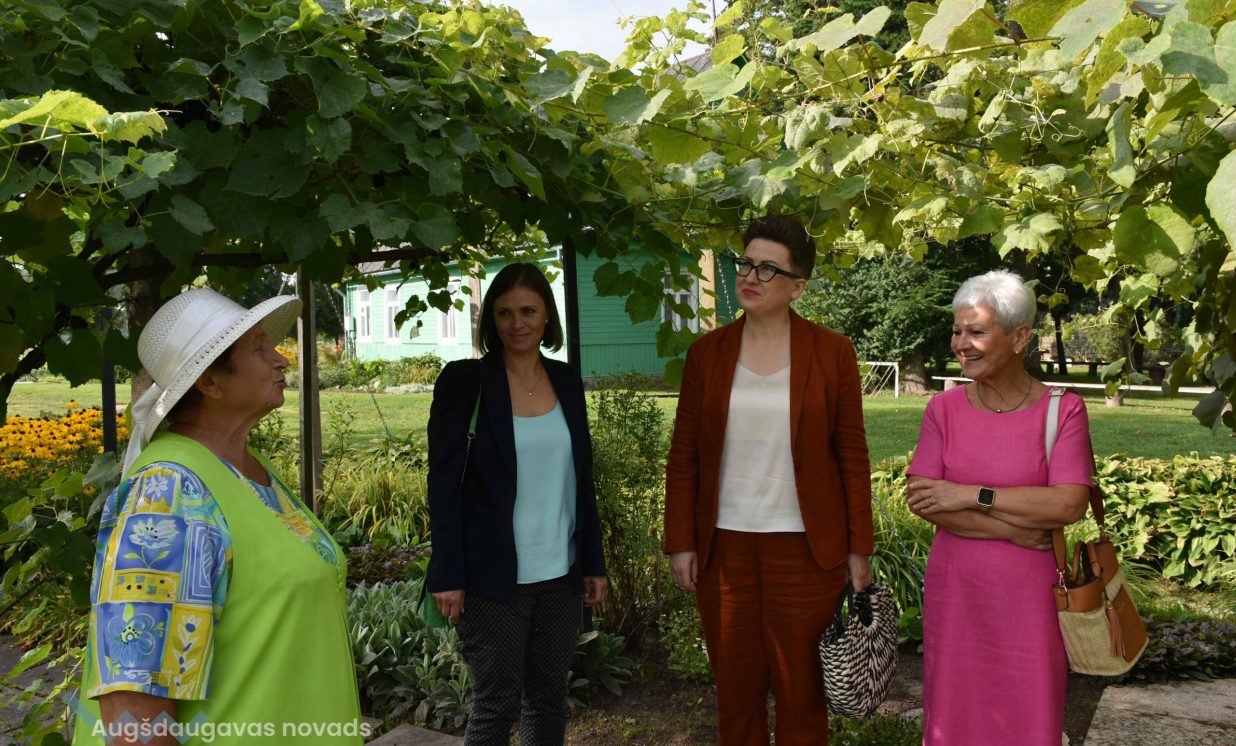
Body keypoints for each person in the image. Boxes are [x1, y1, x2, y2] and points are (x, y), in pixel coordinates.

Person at [71, 289, 363, 745]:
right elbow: (134, 705)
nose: (281, 359)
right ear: (209, 381)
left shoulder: (244, 471)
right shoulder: (168, 494)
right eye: (259, 348)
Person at [664, 215, 874, 746]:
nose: (749, 276)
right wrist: (681, 541)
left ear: (798, 286)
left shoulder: (832, 352)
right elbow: (684, 455)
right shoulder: (707, 354)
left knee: (802, 699)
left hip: (806, 552)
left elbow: (851, 455)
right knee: (735, 698)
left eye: (767, 269)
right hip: (723, 550)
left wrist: (859, 548)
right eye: (746, 263)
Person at [906, 270, 1094, 745]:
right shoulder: (943, 409)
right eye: (957, 331)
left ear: (1019, 338)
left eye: (976, 332)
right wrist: (1012, 529)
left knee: (1029, 708)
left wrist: (971, 494)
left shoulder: (1063, 409)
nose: (961, 344)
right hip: (957, 594)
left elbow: (1068, 503)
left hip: (1031, 598)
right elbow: (925, 499)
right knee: (955, 709)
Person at [426, 262, 607, 746]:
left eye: (528, 311)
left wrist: (593, 562)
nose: (517, 323)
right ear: (492, 320)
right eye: (504, 313)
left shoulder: (565, 381)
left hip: (560, 575)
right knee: (495, 705)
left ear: (547, 315)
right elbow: (443, 485)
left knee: (548, 700)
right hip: (492, 579)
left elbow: (581, 479)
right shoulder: (465, 382)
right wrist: (447, 574)